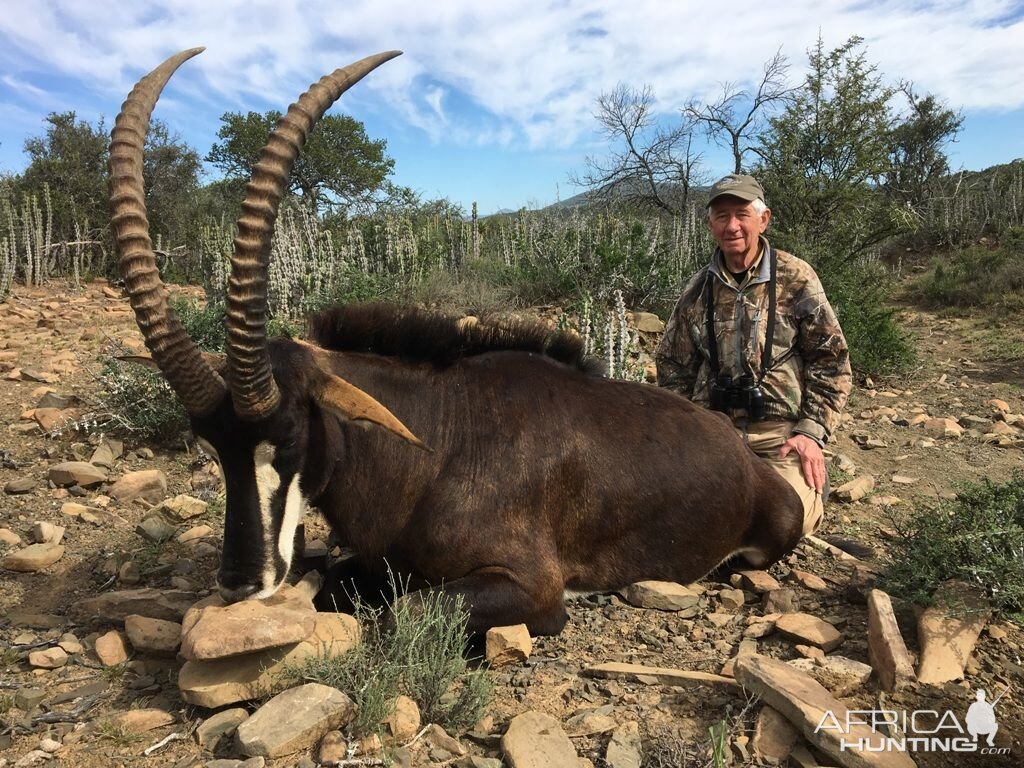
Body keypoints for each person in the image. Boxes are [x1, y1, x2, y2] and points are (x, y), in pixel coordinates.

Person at [656, 173, 851, 536]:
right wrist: (681, 434)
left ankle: (807, 493)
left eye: (742, 214)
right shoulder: (697, 289)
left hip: (780, 434)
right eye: (721, 216)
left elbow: (832, 361)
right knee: (672, 516)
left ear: (764, 219)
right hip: (713, 433)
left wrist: (810, 432)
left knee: (783, 520)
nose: (732, 226)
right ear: (710, 224)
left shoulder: (797, 277)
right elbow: (672, 367)